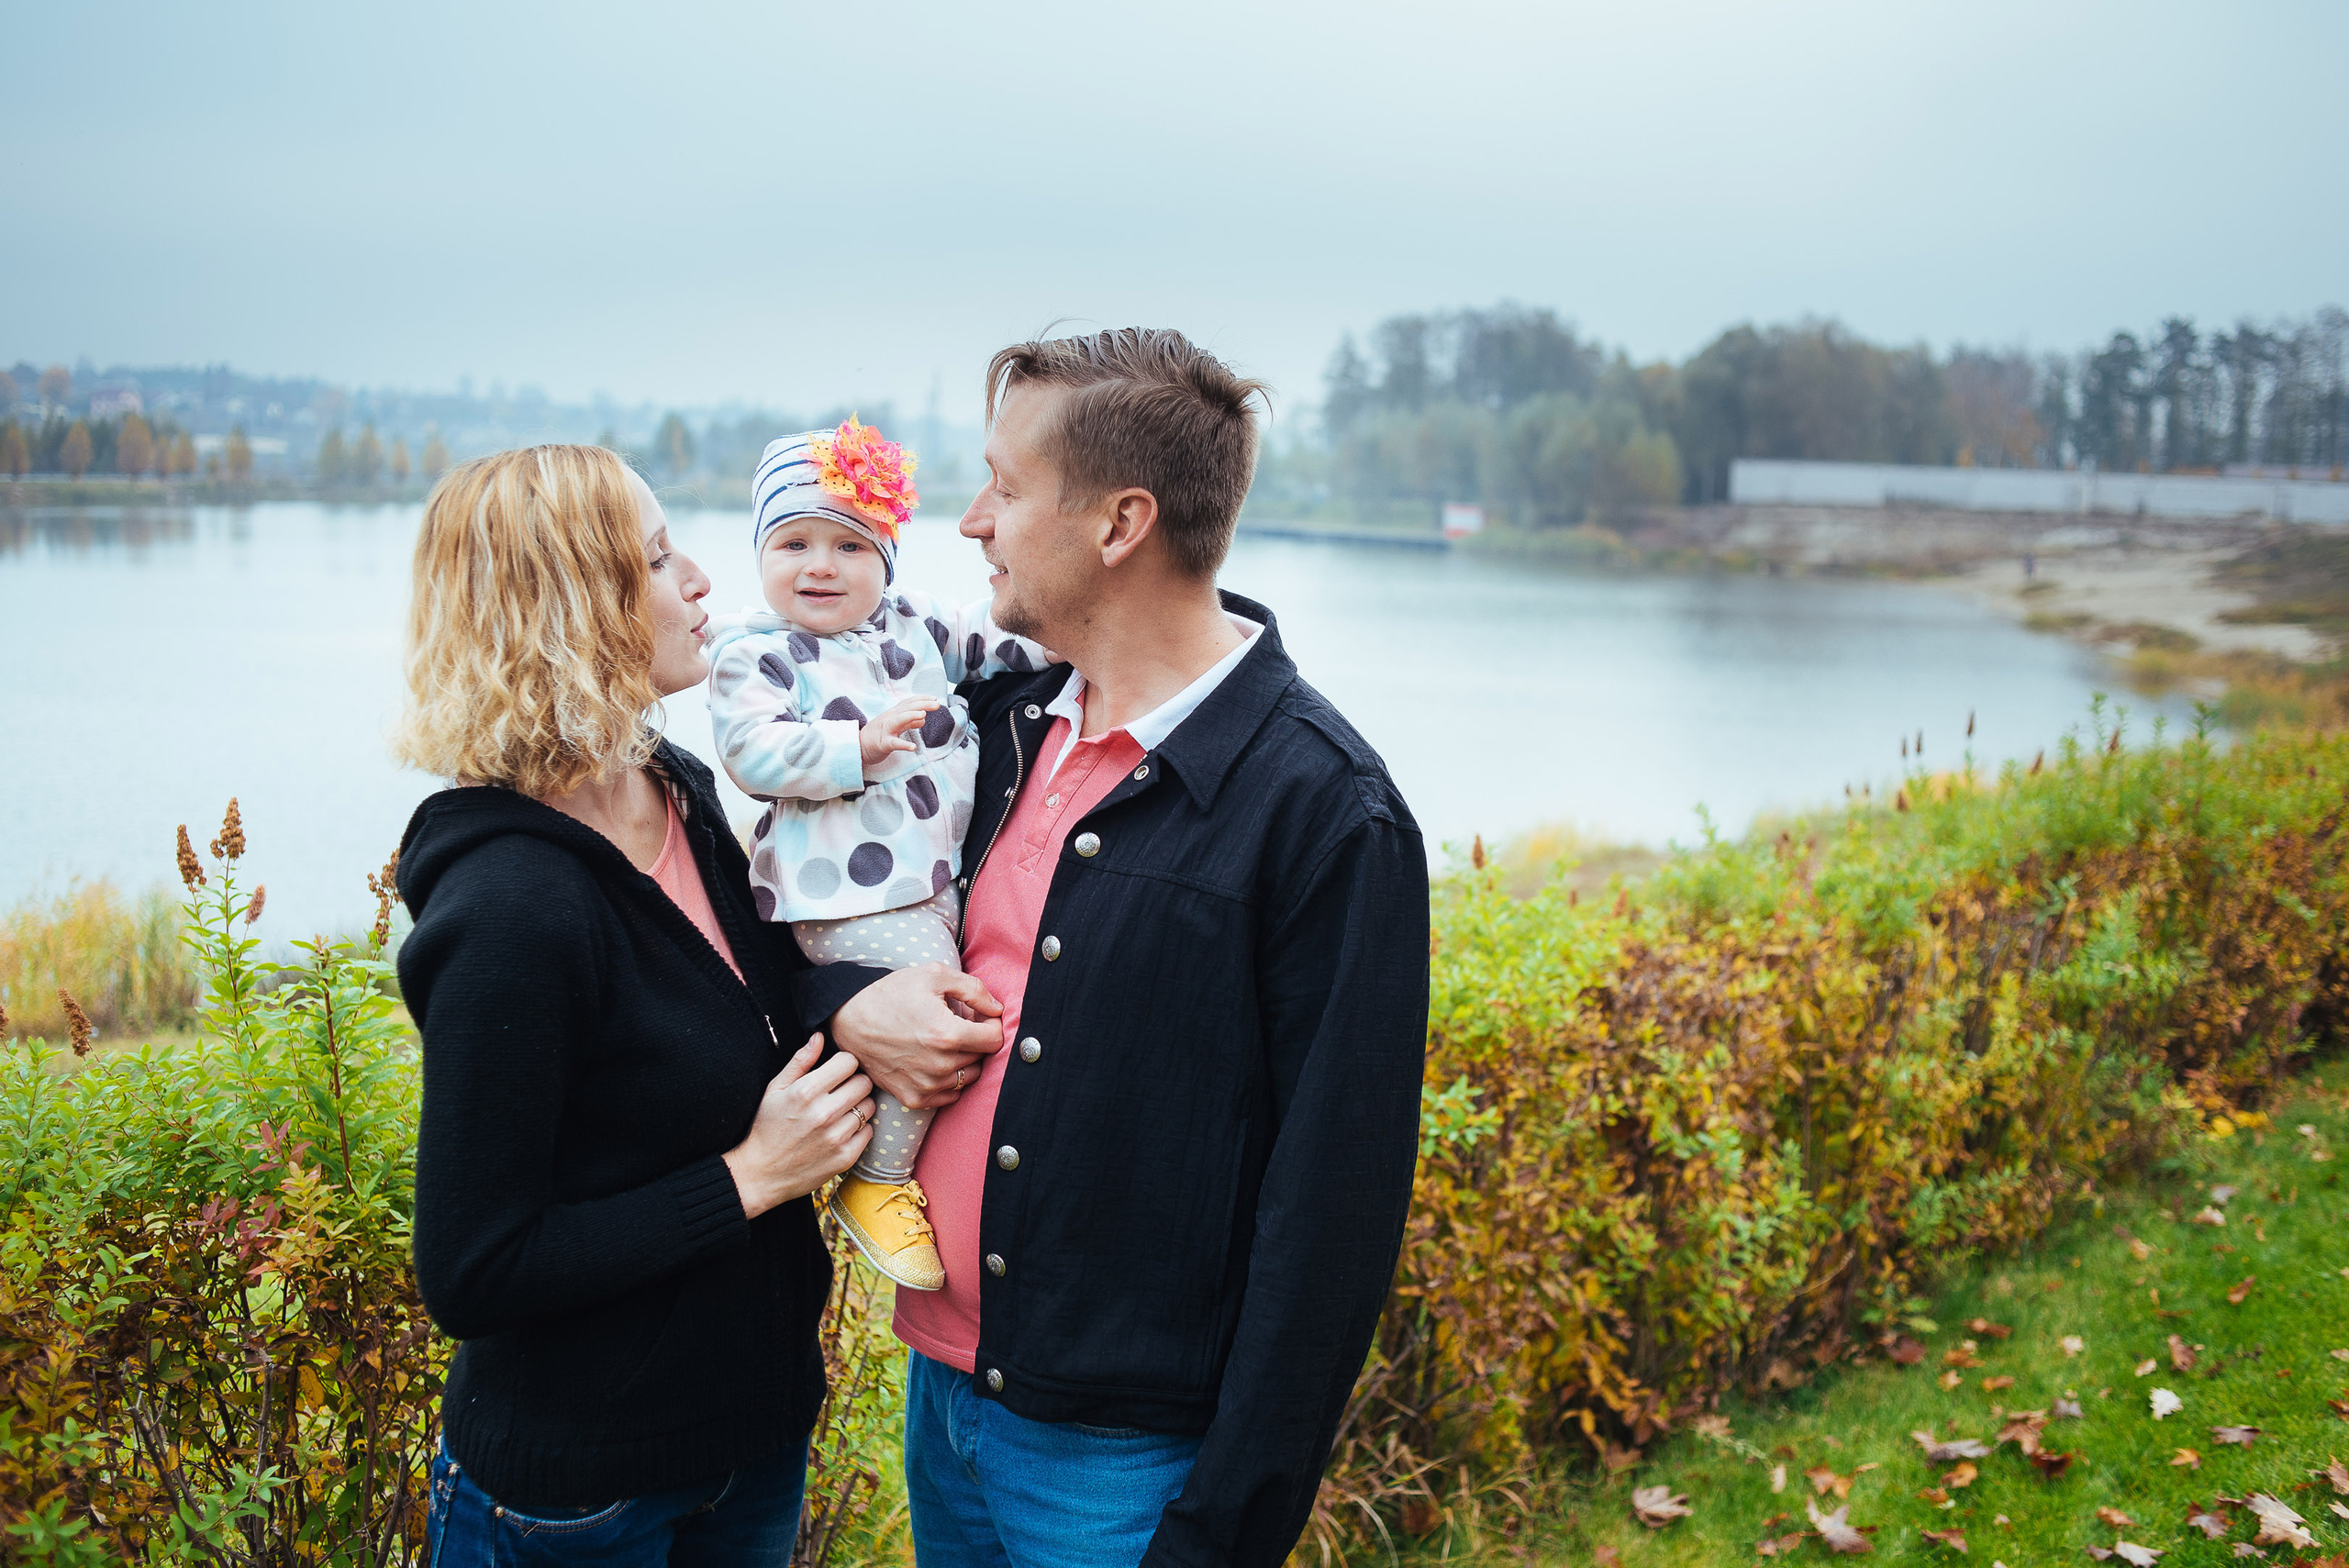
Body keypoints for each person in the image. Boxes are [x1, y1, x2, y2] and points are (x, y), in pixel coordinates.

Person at [392, 444, 995, 1563]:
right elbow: (474, 1268)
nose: (704, 580)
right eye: (661, 559)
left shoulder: (668, 786)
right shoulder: (510, 911)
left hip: (748, 1448)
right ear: (572, 606)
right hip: (579, 1499)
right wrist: (750, 1176)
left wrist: (849, 1005)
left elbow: (749, 986)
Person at [887, 329, 1430, 1568]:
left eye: (1007, 488)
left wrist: (1227, 1527)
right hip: (944, 1405)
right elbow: (841, 912)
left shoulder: (1326, 809)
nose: (974, 521)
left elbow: (1333, 1214)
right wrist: (849, 1006)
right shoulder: (996, 727)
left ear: (1119, 523)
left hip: (1122, 1471)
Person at [707, 417, 1048, 1295]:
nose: (820, 565)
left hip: (926, 884)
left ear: (885, 559)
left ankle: (878, 1165)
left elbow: (987, 636)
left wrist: (1072, 640)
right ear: (761, 552)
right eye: (793, 542)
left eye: (849, 545)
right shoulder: (757, 651)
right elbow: (752, 753)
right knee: (944, 1020)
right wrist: (853, 747)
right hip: (845, 894)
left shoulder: (909, 624)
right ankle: (878, 1181)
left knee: (942, 1013)